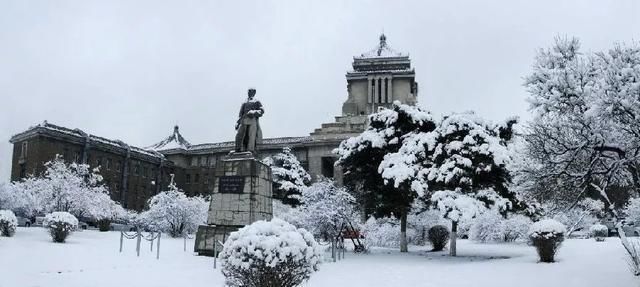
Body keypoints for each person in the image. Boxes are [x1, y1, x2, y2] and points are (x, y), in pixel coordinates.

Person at [234, 88, 263, 153]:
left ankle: (250, 150)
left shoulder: (257, 101)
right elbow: (240, 114)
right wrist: (238, 122)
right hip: (244, 120)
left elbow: (262, 111)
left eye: (251, 92)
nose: (249, 93)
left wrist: (254, 112)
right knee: (240, 134)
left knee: (251, 135)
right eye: (249, 92)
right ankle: (239, 148)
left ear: (254, 93)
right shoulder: (244, 102)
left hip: (252, 120)